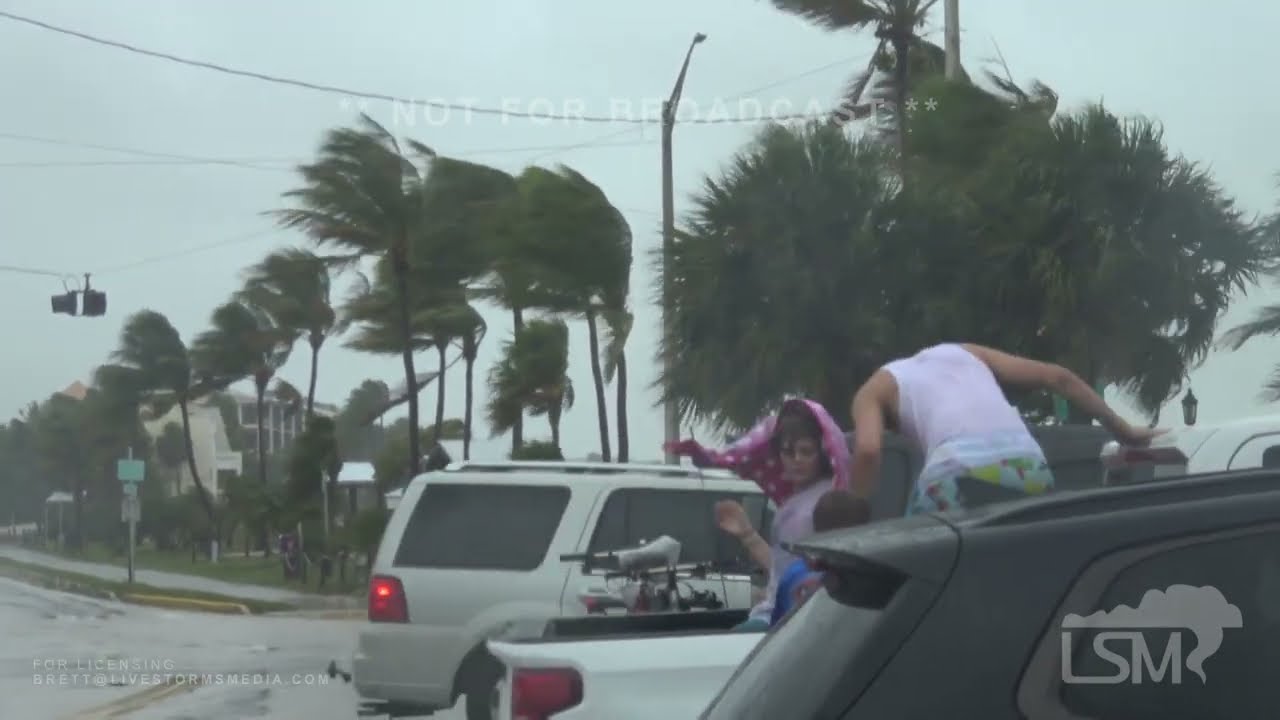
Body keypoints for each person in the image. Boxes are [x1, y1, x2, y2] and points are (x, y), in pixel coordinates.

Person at [848, 342, 1163, 513]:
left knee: (912, 559)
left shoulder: (872, 390)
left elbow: (868, 450)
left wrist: (851, 519)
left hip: (955, 473)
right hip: (1027, 466)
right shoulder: (964, 352)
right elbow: (1057, 378)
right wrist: (1124, 430)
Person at [665, 398, 850, 631]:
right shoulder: (803, 499)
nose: (797, 460)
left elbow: (797, 580)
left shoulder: (814, 507)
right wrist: (748, 534)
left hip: (782, 620)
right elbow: (783, 569)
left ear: (823, 453)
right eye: (788, 451)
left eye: (806, 451)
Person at [770, 490, 871, 625]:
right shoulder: (871, 579)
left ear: (815, 528)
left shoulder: (793, 574)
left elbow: (776, 629)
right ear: (864, 531)